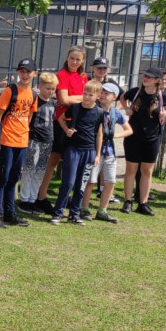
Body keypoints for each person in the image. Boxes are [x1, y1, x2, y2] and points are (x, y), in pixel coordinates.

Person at [33, 46, 88, 214]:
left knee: (70, 162)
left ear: (82, 61)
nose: (74, 62)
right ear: (67, 57)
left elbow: (88, 97)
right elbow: (63, 99)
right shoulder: (62, 75)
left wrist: (76, 99)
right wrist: (84, 98)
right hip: (60, 122)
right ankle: (40, 197)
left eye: (78, 59)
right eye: (72, 58)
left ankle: (65, 198)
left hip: (78, 123)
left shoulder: (83, 77)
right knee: (53, 160)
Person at [50, 81, 104, 225]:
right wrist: (67, 130)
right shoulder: (74, 108)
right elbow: (61, 119)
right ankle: (58, 213)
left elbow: (99, 134)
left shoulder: (99, 112)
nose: (86, 97)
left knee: (81, 185)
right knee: (68, 182)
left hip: (89, 151)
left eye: (90, 95)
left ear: (97, 96)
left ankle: (74, 214)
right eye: (85, 93)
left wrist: (97, 154)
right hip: (73, 150)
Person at [119, 66, 166, 216]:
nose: (145, 78)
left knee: (147, 171)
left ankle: (143, 203)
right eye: (145, 75)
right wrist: (126, 108)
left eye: (150, 77)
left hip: (153, 137)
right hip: (133, 137)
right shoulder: (135, 92)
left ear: (156, 81)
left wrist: (164, 113)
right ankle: (128, 201)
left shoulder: (162, 96)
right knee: (131, 169)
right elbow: (122, 97)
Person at [0, 58, 38, 227]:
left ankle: (10, 212)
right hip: (6, 139)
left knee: (14, 178)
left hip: (22, 141)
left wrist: (23, 132)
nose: (25, 74)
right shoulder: (9, 91)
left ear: (35, 73)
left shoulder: (33, 94)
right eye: (22, 71)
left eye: (28, 71)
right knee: (3, 178)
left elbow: (29, 117)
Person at [78, 81, 130, 223]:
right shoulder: (94, 109)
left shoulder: (116, 113)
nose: (102, 95)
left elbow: (129, 130)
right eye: (102, 92)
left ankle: (102, 210)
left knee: (111, 181)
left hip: (110, 152)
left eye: (107, 93)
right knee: (91, 181)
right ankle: (84, 209)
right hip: (94, 150)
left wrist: (114, 136)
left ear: (114, 97)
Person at [17, 72, 58, 213]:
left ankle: (33, 198)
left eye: (53, 89)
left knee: (40, 171)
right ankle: (24, 199)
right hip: (34, 139)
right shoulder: (34, 100)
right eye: (48, 88)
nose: (50, 91)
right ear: (39, 86)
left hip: (48, 140)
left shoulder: (53, 102)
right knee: (29, 169)